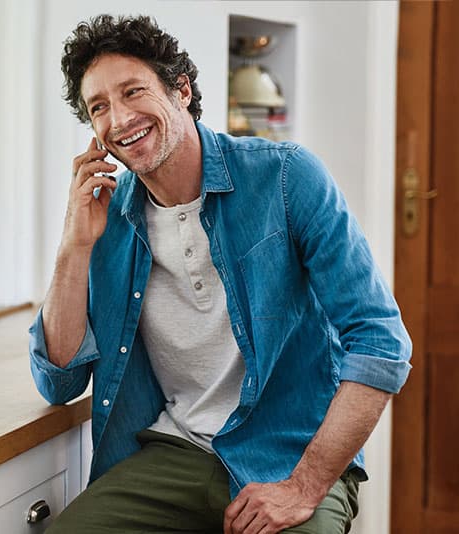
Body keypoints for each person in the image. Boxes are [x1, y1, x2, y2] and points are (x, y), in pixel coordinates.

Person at [28, 14, 412, 534]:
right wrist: (74, 246)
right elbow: (60, 379)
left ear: (181, 89)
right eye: (99, 107)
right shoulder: (107, 218)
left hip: (290, 454)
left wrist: (304, 486)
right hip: (177, 451)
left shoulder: (285, 177)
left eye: (133, 91)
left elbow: (381, 341)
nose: (118, 119)